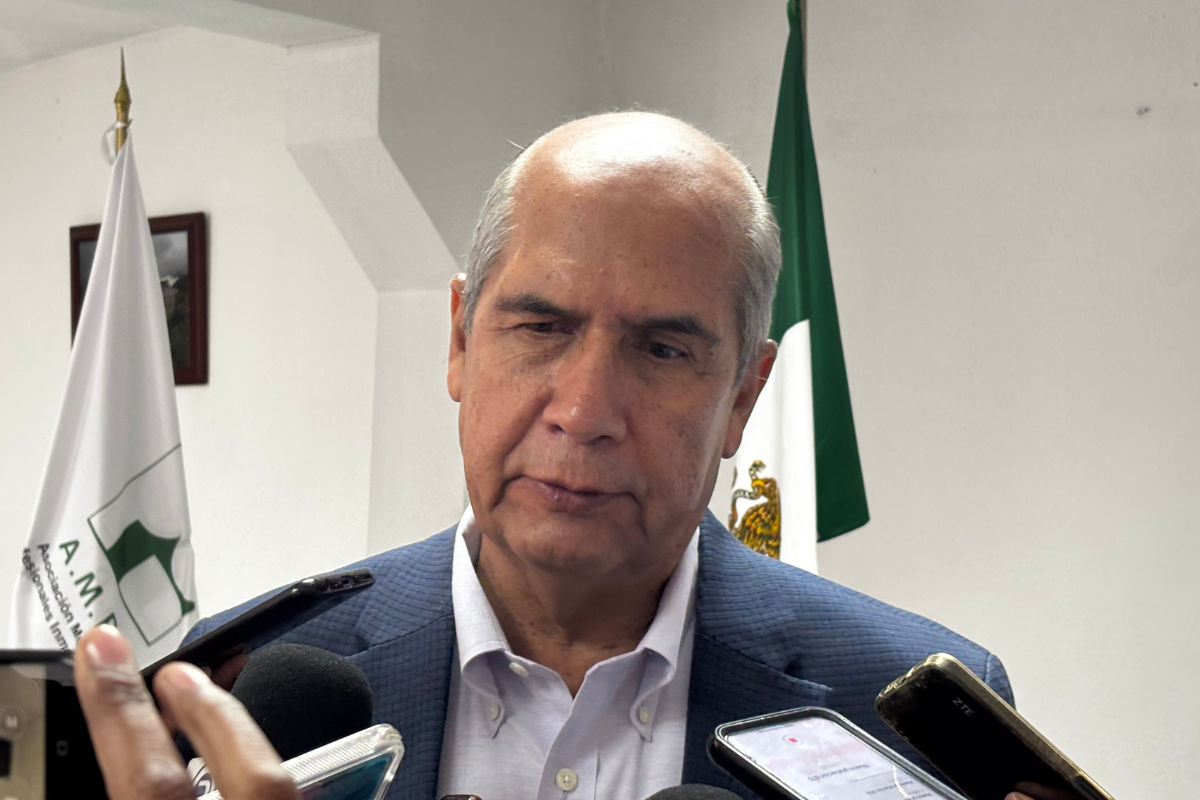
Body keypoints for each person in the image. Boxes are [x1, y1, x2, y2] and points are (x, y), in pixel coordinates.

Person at [177, 112, 1012, 800]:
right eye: (542, 327)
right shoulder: (227, 690)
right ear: (460, 340)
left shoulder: (913, 715)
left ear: (742, 399)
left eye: (662, 350)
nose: (582, 414)